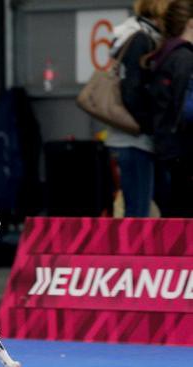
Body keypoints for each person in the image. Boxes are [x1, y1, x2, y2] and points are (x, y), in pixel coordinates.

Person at [106, 0, 170, 217]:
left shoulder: (135, 35)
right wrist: (148, 124)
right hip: (135, 139)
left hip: (131, 138)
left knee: (138, 210)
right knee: (138, 213)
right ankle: (130, 251)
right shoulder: (142, 39)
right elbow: (132, 90)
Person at [148, 0, 193, 217]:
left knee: (174, 219)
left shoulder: (166, 54)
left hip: (166, 149)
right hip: (183, 152)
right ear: (191, 24)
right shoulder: (185, 58)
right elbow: (187, 109)